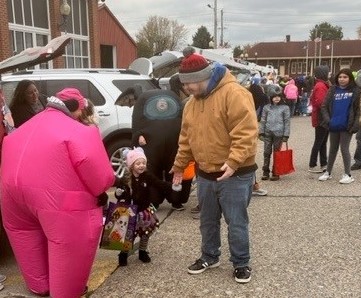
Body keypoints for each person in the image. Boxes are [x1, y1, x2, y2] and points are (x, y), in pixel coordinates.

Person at [0, 88, 115, 297]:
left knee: (25, 235)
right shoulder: (80, 131)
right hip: (55, 201)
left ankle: (39, 284)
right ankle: (66, 290)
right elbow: (101, 178)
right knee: (71, 240)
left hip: (11, 195)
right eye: (82, 111)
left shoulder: (25, 127)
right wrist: (101, 190)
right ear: (75, 108)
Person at [171, 47, 258, 283]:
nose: (186, 88)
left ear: (202, 77)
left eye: (189, 84)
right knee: (208, 221)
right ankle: (210, 256)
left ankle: (241, 262)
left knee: (236, 222)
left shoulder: (234, 94)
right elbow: (186, 138)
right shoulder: (191, 103)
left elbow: (246, 132)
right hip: (206, 173)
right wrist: (179, 165)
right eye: (184, 84)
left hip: (236, 174)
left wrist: (234, 161)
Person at [114, 147, 176, 266]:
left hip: (145, 210)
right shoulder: (125, 178)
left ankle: (142, 251)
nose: (141, 165)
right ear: (131, 165)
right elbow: (119, 194)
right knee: (128, 234)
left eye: (143, 163)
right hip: (129, 211)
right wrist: (119, 194)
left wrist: (171, 185)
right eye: (138, 163)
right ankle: (123, 253)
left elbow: (158, 183)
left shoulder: (147, 176)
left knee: (146, 232)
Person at [318, 68, 360, 184]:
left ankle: (348, 174)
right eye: (340, 77)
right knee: (332, 149)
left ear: (350, 78)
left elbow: (358, 110)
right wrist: (329, 121)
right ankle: (328, 172)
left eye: (345, 77)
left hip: (347, 125)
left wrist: (355, 126)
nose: (342, 79)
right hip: (334, 125)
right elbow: (324, 106)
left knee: (344, 149)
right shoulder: (332, 89)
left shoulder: (356, 91)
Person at [259, 90, 291, 181]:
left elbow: (287, 122)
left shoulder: (285, 108)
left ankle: (276, 172)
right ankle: (265, 171)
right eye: (274, 96)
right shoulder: (266, 107)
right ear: (271, 98)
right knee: (266, 152)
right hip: (267, 133)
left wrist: (286, 135)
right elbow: (263, 120)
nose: (276, 98)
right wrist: (261, 132)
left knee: (277, 153)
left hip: (279, 134)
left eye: (278, 96)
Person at [308, 66, 330, 173]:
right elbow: (321, 102)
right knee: (320, 141)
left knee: (322, 141)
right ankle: (313, 164)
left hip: (322, 116)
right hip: (322, 117)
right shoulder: (321, 85)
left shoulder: (320, 84)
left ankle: (323, 163)